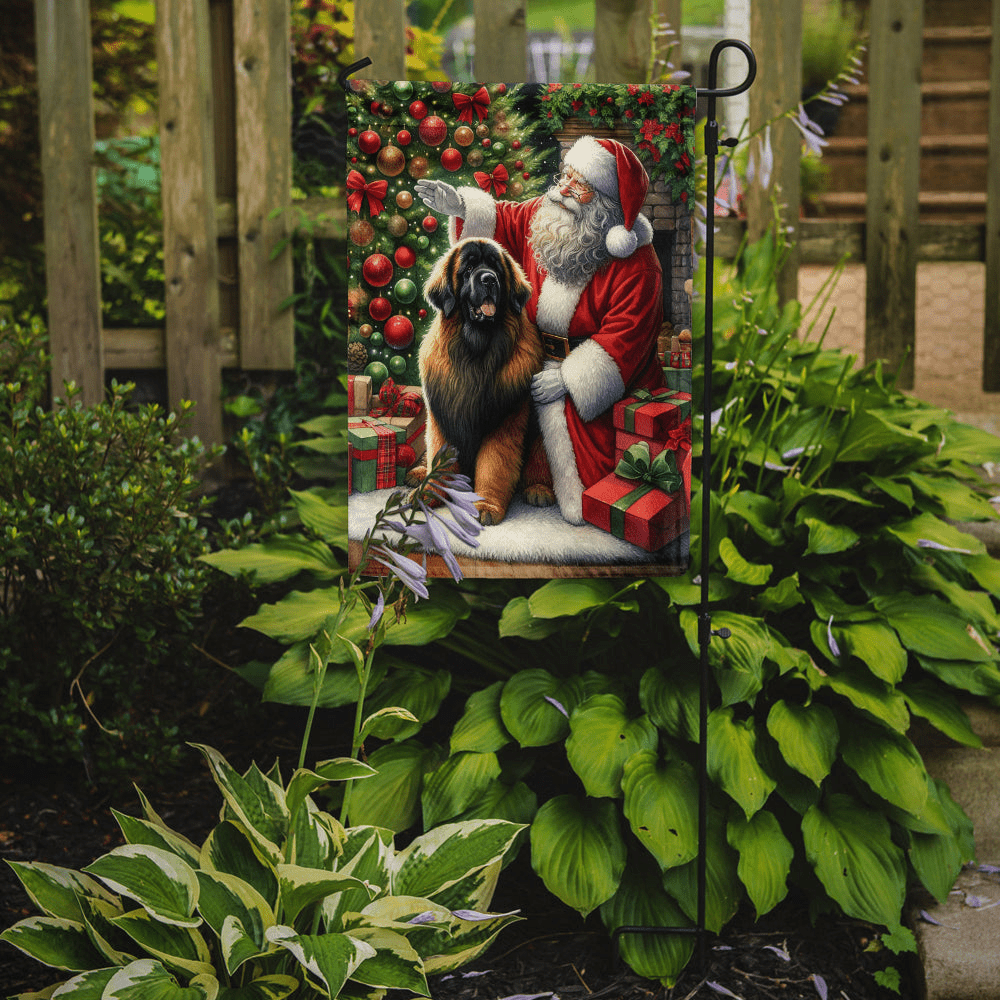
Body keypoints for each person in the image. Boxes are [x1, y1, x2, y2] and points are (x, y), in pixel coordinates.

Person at [416, 135, 665, 525]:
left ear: (605, 205)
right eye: (566, 175)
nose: (563, 189)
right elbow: (505, 220)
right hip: (526, 355)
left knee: (593, 489)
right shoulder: (547, 214)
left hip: (590, 388)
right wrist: (461, 205)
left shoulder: (638, 265)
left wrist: (567, 378)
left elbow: (626, 340)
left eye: (580, 185)